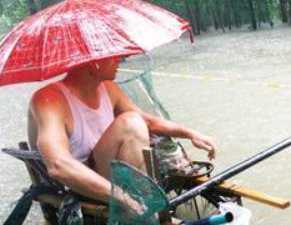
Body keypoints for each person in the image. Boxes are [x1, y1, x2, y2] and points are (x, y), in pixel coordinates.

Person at [27, 56, 216, 212]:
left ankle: (145, 199)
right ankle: (145, 201)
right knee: (130, 123)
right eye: (113, 57)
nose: (120, 60)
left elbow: (148, 121)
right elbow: (59, 166)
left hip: (108, 168)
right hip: (80, 184)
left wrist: (191, 133)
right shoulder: (48, 99)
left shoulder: (109, 88)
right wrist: (122, 198)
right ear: (93, 61)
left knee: (134, 120)